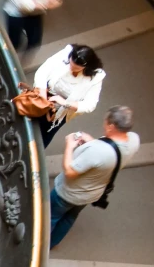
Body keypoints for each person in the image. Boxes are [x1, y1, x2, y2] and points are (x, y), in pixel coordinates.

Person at [48, 105, 139, 248]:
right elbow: (109, 154)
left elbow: (69, 171)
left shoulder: (96, 151)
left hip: (68, 194)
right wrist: (92, 141)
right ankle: (51, 243)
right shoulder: (134, 140)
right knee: (69, 218)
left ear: (111, 126)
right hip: (92, 193)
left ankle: (39, 244)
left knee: (51, 216)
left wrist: (69, 146)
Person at [33, 43, 105, 146]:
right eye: (70, 64)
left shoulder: (95, 77)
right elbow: (43, 71)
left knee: (43, 136)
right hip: (42, 98)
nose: (71, 68)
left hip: (58, 113)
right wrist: (43, 97)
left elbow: (90, 105)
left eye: (76, 68)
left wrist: (64, 103)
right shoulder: (66, 54)